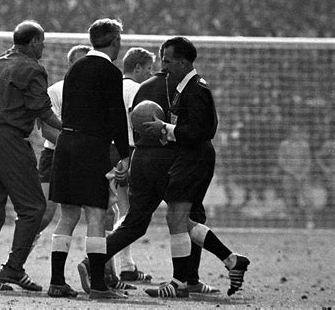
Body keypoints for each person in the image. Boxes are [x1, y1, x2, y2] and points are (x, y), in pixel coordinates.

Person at [79, 41, 220, 295]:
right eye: (163, 60)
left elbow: (134, 125)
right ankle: (190, 279)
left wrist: (127, 159)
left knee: (134, 222)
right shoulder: (177, 88)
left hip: (139, 157)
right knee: (190, 215)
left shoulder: (141, 88)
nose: (163, 64)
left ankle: (93, 262)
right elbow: (192, 130)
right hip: (169, 160)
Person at [141, 37, 250, 298]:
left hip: (195, 158)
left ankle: (179, 283)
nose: (163, 65)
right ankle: (232, 260)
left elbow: (202, 131)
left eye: (167, 60)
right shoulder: (185, 86)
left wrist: (165, 128)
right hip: (189, 156)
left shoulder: (196, 88)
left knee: (176, 217)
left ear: (182, 61)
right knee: (180, 218)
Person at [0, 20, 61, 292]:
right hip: (6, 139)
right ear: (33, 42)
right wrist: (70, 128)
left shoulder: (0, 61)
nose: (43, 46)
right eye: (42, 41)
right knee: (33, 206)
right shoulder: (32, 68)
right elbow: (44, 112)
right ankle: (13, 269)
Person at [48, 18, 130, 300]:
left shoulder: (75, 68)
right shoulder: (110, 71)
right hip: (91, 146)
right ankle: (98, 285)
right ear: (115, 41)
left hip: (65, 143)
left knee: (68, 214)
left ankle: (56, 281)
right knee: (96, 215)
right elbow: (117, 116)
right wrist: (125, 154)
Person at [33, 45, 92, 251]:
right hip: (55, 155)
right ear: (70, 65)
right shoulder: (55, 91)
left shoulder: (97, 93)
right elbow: (48, 130)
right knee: (45, 213)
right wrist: (76, 147)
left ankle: (108, 271)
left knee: (102, 213)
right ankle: (17, 260)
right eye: (79, 62)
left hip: (87, 159)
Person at [109, 47, 155, 283]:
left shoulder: (111, 85)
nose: (150, 73)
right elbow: (139, 122)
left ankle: (125, 265)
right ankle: (119, 265)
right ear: (137, 67)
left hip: (111, 149)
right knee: (129, 211)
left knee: (119, 207)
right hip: (130, 150)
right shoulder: (137, 90)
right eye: (148, 69)